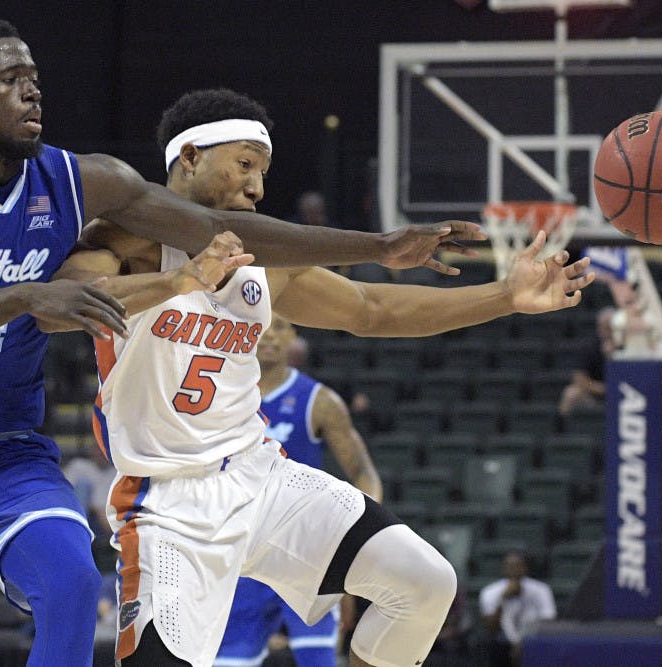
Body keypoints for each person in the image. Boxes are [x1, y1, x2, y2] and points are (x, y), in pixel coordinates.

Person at [0, 17, 484, 667]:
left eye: (33, 75)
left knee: (69, 586)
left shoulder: (84, 179)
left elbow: (245, 239)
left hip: (7, 452)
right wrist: (30, 294)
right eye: (7, 80)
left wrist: (383, 245)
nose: (31, 88)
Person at [50, 88, 592, 666]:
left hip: (262, 478)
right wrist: (179, 284)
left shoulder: (263, 258)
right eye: (243, 165)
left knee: (423, 583)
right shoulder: (125, 239)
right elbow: (63, 301)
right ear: (189, 158)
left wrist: (505, 296)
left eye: (263, 170)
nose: (257, 185)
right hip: (168, 504)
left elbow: (370, 310)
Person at [215, 314, 382, 667]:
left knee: (318, 660)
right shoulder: (218, 395)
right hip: (241, 551)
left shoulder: (319, 401)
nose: (270, 336)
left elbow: (364, 473)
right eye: (261, 326)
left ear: (293, 334)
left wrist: (354, 546)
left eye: (280, 327)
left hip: (306, 553)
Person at [478, 550, 556, 667]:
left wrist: (523, 641)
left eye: (517, 566)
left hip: (533, 639)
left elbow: (549, 620)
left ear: (525, 568)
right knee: (492, 644)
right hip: (502, 643)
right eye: (509, 566)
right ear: (503, 568)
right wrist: (503, 599)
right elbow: (491, 628)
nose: (513, 569)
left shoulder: (541, 590)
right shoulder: (490, 592)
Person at [558, 306, 617, 417]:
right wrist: (604, 389)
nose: (609, 332)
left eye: (612, 328)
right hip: (595, 394)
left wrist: (613, 356)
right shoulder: (589, 347)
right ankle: (561, 429)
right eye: (606, 328)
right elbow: (579, 379)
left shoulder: (627, 346)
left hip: (623, 392)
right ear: (599, 328)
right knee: (571, 393)